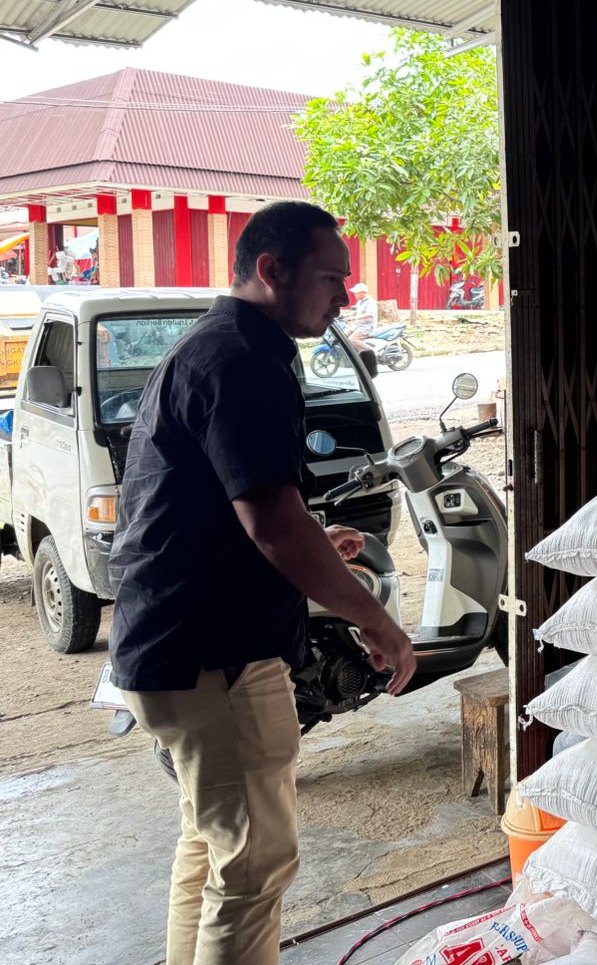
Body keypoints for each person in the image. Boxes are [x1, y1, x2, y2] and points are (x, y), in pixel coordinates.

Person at [108, 201, 415, 965]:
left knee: (213, 847)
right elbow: (272, 523)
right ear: (272, 270)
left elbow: (241, 504)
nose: (346, 296)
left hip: (169, 646)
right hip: (213, 657)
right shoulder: (243, 359)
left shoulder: (219, 346)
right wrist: (377, 620)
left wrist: (317, 539)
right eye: (332, 278)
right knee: (253, 866)